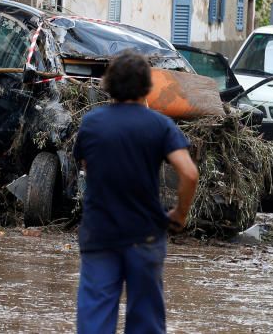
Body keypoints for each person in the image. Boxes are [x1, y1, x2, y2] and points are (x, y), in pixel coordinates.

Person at [74, 50, 199, 333]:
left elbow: (87, 166)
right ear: (147, 86)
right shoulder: (160, 125)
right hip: (145, 235)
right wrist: (180, 214)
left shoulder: (92, 123)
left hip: (100, 234)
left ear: (109, 84)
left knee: (94, 319)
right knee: (146, 321)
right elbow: (189, 173)